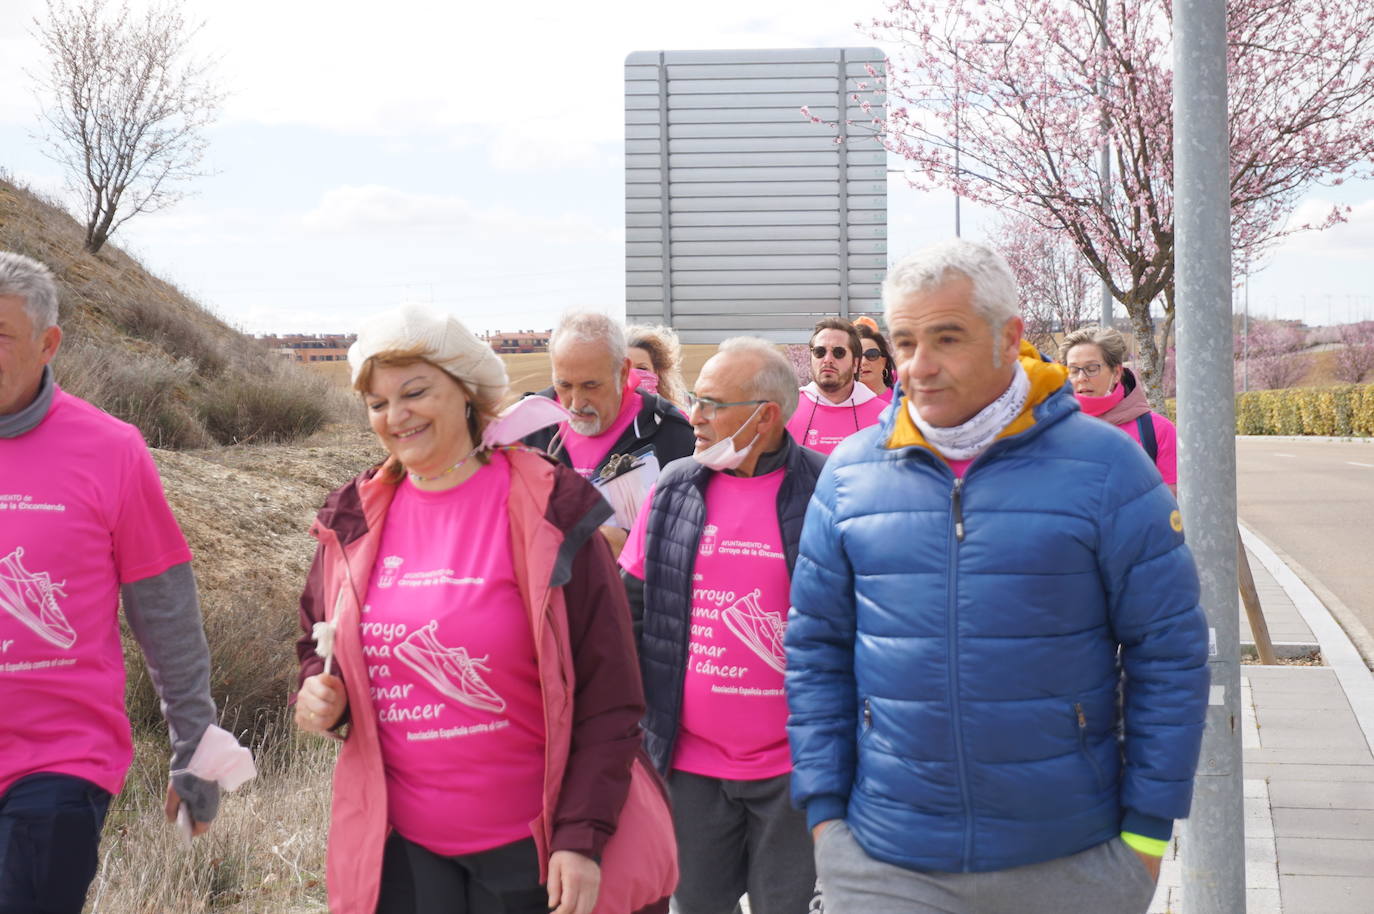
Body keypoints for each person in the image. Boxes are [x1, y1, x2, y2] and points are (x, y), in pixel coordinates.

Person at [786, 240, 1209, 914]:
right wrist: (826, 818)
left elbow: (1171, 651)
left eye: (946, 337)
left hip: (1070, 861)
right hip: (884, 864)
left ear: (1010, 338)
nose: (918, 366)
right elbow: (815, 649)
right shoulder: (848, 474)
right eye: (903, 342)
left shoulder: (1108, 468)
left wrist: (1146, 836)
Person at [293, 303, 676, 914]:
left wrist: (580, 838)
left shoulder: (550, 505)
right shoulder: (353, 516)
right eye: (377, 403)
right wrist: (320, 691)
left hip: (534, 858)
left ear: (467, 393)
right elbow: (317, 640)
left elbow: (612, 696)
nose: (396, 416)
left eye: (415, 392)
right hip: (407, 862)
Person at [0, 251, 221, 913]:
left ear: (48, 344)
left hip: (58, 766)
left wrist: (196, 747)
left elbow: (166, 611)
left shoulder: (110, 450)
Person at [619, 338, 826, 914]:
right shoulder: (675, 487)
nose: (694, 415)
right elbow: (630, 612)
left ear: (765, 416)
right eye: (693, 399)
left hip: (792, 774)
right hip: (688, 770)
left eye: (711, 403)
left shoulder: (826, 491)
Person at [522, 312, 694, 557]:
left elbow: (689, 538)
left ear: (623, 372)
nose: (577, 402)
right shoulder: (527, 426)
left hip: (629, 591)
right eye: (565, 385)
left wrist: (630, 545)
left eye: (591, 385)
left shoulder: (672, 434)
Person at [1061, 326, 1178, 495]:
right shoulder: (1050, 430)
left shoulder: (1157, 431)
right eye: (1073, 370)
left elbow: (1170, 505)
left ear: (1116, 373)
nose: (1081, 378)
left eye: (1092, 368)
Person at [784, 317, 887, 455]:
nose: (827, 360)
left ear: (855, 364)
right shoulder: (786, 410)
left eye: (839, 352)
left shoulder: (884, 416)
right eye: (819, 352)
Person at [626, 324, 689, 413]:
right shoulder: (602, 419)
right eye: (625, 368)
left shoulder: (673, 419)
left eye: (642, 369)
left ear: (657, 373)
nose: (633, 376)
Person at [853, 317, 898, 402]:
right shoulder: (838, 403)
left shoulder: (904, 402)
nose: (864, 362)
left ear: (884, 361)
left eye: (872, 354)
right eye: (857, 356)